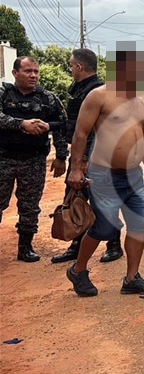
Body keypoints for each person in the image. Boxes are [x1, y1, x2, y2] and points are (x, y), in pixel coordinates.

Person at [66, 47, 144, 298]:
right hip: (104, 175)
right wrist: (75, 168)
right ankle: (78, 270)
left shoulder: (142, 101)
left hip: (133, 175)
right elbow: (81, 133)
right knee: (105, 228)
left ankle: (132, 278)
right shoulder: (99, 96)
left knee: (137, 226)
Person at [52, 48, 124, 265]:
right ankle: (77, 244)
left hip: (93, 158)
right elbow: (75, 126)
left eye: (71, 65)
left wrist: (84, 160)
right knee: (76, 198)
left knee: (103, 201)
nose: (70, 69)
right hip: (81, 155)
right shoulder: (81, 89)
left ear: (79, 66)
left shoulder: (97, 92)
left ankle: (114, 245)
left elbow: (95, 131)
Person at [0, 57, 68, 262]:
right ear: (15, 73)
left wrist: (61, 156)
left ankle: (25, 247)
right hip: (4, 158)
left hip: (34, 160)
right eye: (28, 71)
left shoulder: (48, 98)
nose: (33, 75)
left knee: (30, 205)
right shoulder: (3, 93)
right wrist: (21, 124)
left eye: (36, 72)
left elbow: (63, 125)